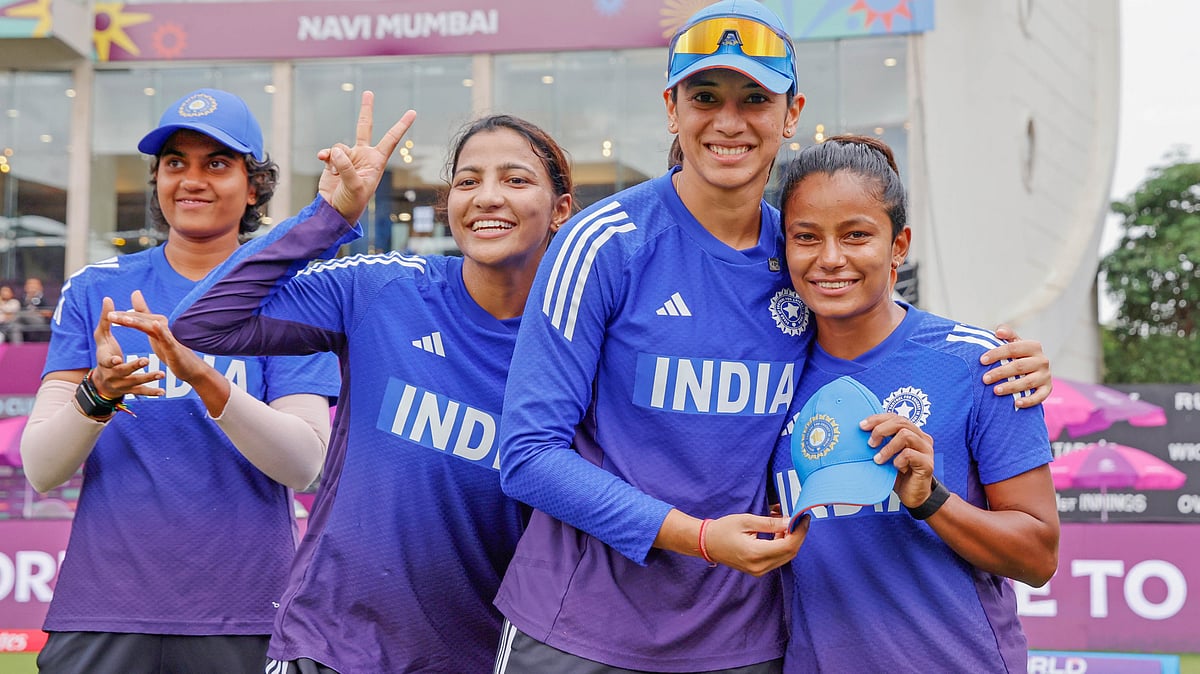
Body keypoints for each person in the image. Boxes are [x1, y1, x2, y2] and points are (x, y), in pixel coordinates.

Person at [492, 1, 1054, 672]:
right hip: (583, 630)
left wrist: (1003, 359)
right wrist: (696, 537)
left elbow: (887, 337)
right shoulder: (604, 241)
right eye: (705, 96)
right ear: (672, 108)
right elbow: (527, 454)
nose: (729, 121)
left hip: (742, 640)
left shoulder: (799, 260)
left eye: (755, 98)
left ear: (791, 112)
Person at [169, 100, 576, 672]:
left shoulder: (580, 341)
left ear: (560, 209)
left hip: (478, 655)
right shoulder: (383, 289)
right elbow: (203, 322)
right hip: (330, 647)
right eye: (467, 181)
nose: (487, 197)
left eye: (515, 179)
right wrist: (328, 216)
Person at [19, 88, 340, 673]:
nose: (192, 179)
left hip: (247, 614)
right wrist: (99, 394)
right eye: (175, 163)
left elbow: (305, 465)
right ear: (157, 180)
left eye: (216, 163)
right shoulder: (98, 289)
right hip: (102, 612)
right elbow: (42, 469)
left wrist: (206, 379)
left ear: (254, 186)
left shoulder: (291, 294)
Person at [770, 134, 1059, 672]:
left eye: (857, 235)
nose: (830, 259)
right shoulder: (768, 373)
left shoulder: (984, 365)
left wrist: (930, 499)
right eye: (805, 237)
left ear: (899, 245)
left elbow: (1039, 556)